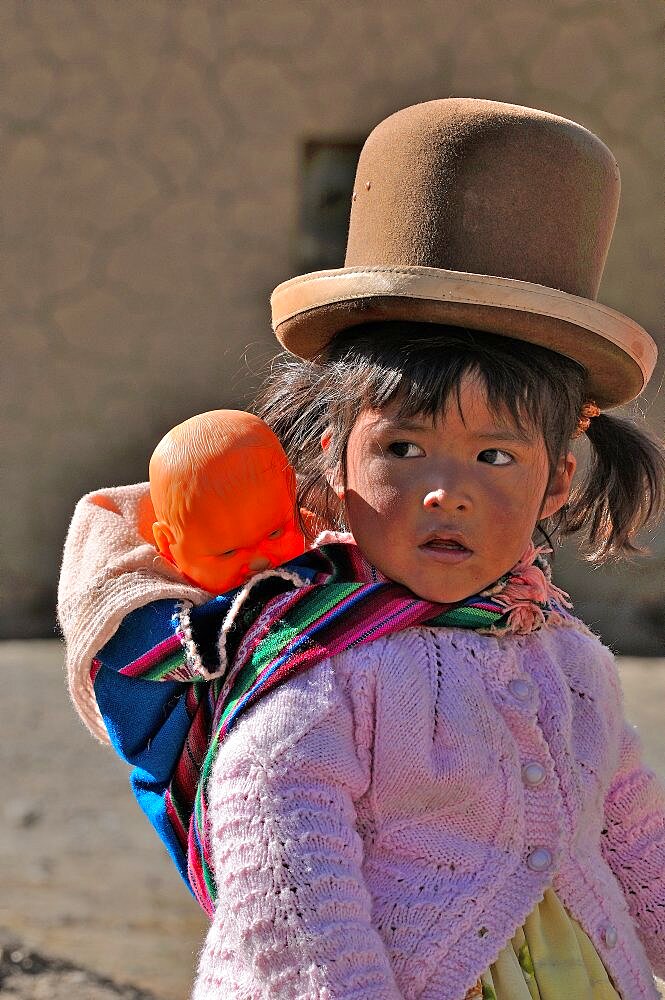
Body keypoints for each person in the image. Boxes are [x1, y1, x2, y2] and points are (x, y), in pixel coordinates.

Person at [58, 99, 665, 999]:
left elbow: (629, 830)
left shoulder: (564, 655)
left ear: (559, 481)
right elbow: (289, 898)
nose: (444, 489)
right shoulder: (323, 672)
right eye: (401, 447)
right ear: (328, 464)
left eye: (495, 455)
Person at [148, 409, 309, 594]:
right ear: (167, 544)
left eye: (275, 533)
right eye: (228, 552)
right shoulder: (163, 605)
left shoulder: (324, 536)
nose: (260, 563)